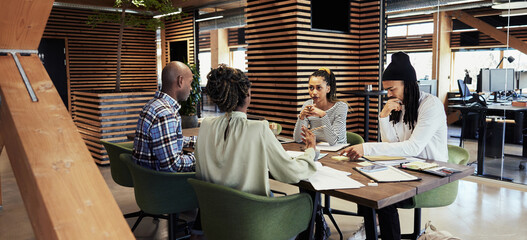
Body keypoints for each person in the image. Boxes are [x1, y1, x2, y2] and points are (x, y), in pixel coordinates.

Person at [340, 52, 448, 240]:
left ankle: (381, 230)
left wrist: (367, 147)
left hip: (431, 172)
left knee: (383, 195)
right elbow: (391, 145)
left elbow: (413, 148)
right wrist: (383, 116)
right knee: (365, 184)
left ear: (409, 84)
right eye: (387, 90)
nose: (388, 94)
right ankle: (373, 227)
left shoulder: (431, 105)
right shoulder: (398, 105)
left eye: (392, 89)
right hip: (406, 166)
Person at [195, 64, 318, 196]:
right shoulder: (259, 128)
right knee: (307, 200)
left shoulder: (205, 125)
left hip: (213, 210)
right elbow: (291, 173)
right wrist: (310, 150)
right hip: (252, 213)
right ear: (248, 94)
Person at [133, 61, 197, 172]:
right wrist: (200, 158)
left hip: (147, 180)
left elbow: (167, 140)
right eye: (190, 83)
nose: (191, 88)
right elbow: (172, 165)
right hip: (163, 184)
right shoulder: (166, 114)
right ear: (180, 81)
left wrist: (198, 141)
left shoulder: (153, 105)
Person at [293, 68, 348, 146]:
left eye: (319, 88)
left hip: (338, 151)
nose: (314, 92)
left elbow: (335, 142)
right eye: (311, 88)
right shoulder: (307, 104)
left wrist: (323, 115)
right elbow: (297, 139)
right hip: (317, 149)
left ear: (328, 89)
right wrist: (301, 117)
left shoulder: (341, 107)